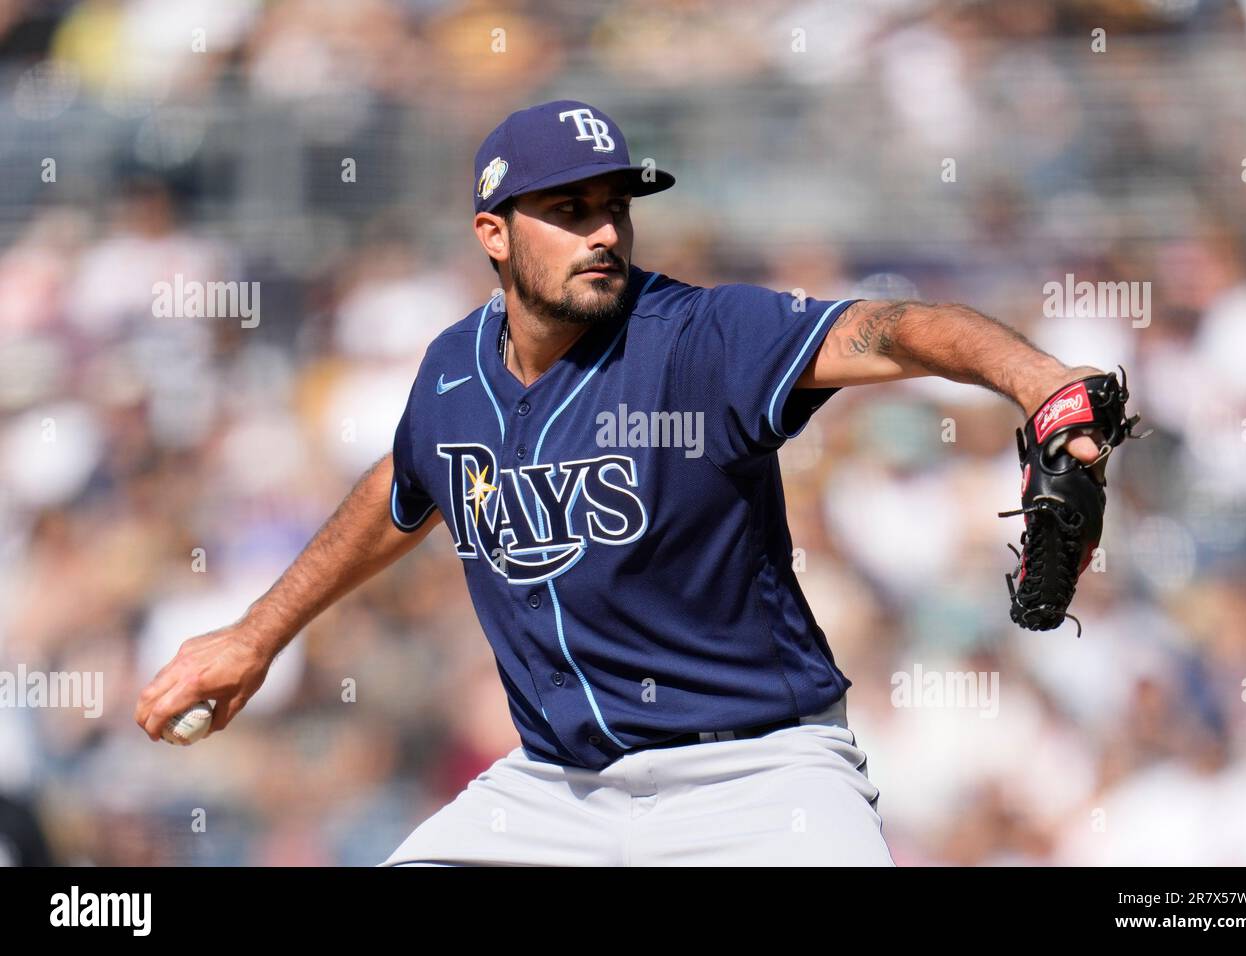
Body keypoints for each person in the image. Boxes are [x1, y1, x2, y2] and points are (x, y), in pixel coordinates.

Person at [135, 100, 1104, 866]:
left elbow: (896, 328)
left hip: (756, 774)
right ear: (493, 232)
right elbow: (407, 482)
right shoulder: (450, 370)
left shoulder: (702, 336)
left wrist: (1041, 383)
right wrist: (255, 635)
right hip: (555, 791)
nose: (603, 232)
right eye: (568, 211)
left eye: (614, 207)